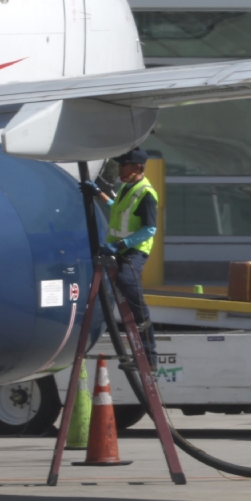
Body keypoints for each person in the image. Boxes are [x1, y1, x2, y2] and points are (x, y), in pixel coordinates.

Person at [83, 149, 158, 366]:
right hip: (119, 249)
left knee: (127, 283)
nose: (120, 168)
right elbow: (116, 209)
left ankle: (149, 354)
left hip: (134, 250)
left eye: (124, 164)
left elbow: (149, 230)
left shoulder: (146, 193)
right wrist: (97, 193)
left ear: (136, 167)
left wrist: (120, 245)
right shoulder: (127, 187)